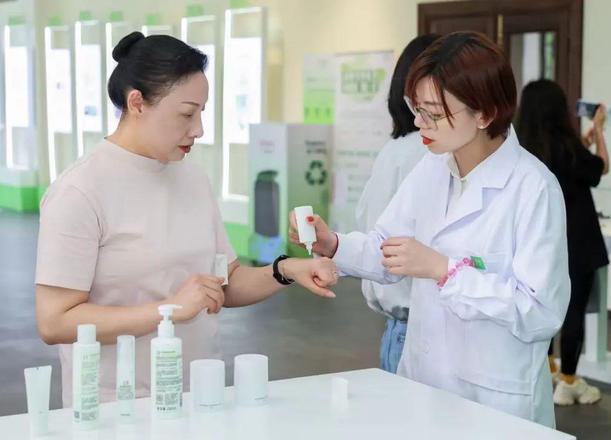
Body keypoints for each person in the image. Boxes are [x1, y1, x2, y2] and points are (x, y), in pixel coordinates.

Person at [35, 32, 337, 406]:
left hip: (200, 394)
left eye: (201, 113)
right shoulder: (79, 190)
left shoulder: (191, 177)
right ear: (137, 103)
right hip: (118, 407)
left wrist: (287, 270)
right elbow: (55, 321)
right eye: (186, 114)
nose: (199, 129)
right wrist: (169, 311)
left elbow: (224, 282)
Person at [291, 32, 570, 427]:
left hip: (494, 400)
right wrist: (332, 243)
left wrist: (445, 270)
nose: (419, 123)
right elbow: (387, 248)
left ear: (485, 114)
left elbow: (541, 312)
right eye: (417, 109)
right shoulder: (433, 167)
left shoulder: (533, 188)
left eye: (434, 114)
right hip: (424, 383)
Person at [516, 79, 609, 406]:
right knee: (574, 311)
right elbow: (600, 168)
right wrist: (599, 131)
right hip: (578, 242)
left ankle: (547, 367)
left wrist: (584, 139)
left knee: (541, 303)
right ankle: (568, 381)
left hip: (539, 243)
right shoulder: (567, 148)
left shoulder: (522, 149)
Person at [355, 34, 439, 374]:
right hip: (414, 326)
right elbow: (378, 243)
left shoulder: (399, 152)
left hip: (410, 322)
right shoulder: (418, 154)